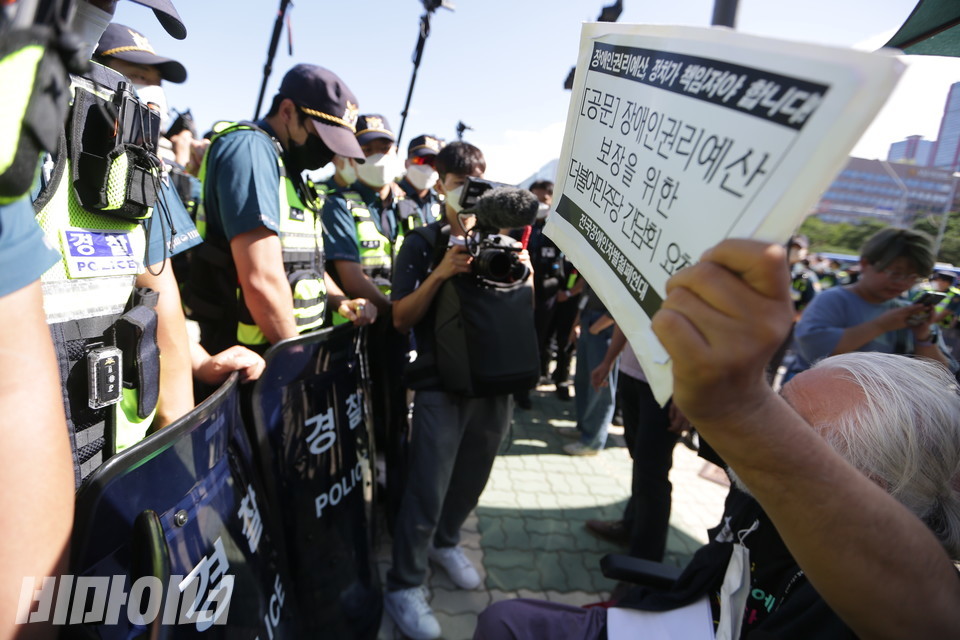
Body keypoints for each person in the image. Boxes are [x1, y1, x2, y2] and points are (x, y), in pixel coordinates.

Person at [475, 239, 960, 640]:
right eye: (775, 406)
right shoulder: (755, 492)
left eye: (795, 431)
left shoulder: (861, 598)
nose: (764, 434)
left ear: (872, 483)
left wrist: (741, 409)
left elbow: (931, 616)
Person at [385, 141, 532, 640]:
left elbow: (523, 308)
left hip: (494, 384)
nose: (470, 194)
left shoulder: (505, 243)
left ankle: (446, 542)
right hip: (439, 385)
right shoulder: (422, 243)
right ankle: (405, 583)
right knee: (427, 488)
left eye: (479, 183)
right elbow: (400, 317)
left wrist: (520, 269)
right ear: (441, 185)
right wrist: (442, 272)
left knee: (472, 478)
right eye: (459, 184)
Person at [184, 64, 376, 362]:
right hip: (250, 358)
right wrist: (296, 363)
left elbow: (302, 259)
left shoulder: (289, 165)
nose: (329, 155)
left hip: (284, 346)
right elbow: (261, 279)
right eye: (323, 138)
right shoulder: (250, 149)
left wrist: (339, 300)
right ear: (287, 111)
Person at [789, 227, 954, 377]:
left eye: (913, 277)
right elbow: (815, 353)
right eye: (895, 273)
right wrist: (881, 326)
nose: (903, 283)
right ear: (865, 264)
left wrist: (923, 337)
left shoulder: (906, 311)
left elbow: (941, 375)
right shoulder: (833, 300)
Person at [584, 325, 685, 562]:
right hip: (632, 373)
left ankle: (645, 563)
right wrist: (608, 361)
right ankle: (631, 527)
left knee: (652, 473)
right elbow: (627, 314)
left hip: (667, 387)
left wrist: (686, 390)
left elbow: (707, 332)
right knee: (641, 462)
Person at [562, 281, 617, 456]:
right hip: (588, 318)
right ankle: (583, 427)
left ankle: (592, 441)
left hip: (604, 327)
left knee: (599, 389)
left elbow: (624, 304)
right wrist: (577, 324)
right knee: (582, 381)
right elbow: (585, 293)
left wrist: (598, 326)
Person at [397, 134, 444, 226]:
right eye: (420, 160)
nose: (426, 167)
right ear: (406, 163)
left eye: (432, 163)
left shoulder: (441, 200)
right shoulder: (391, 197)